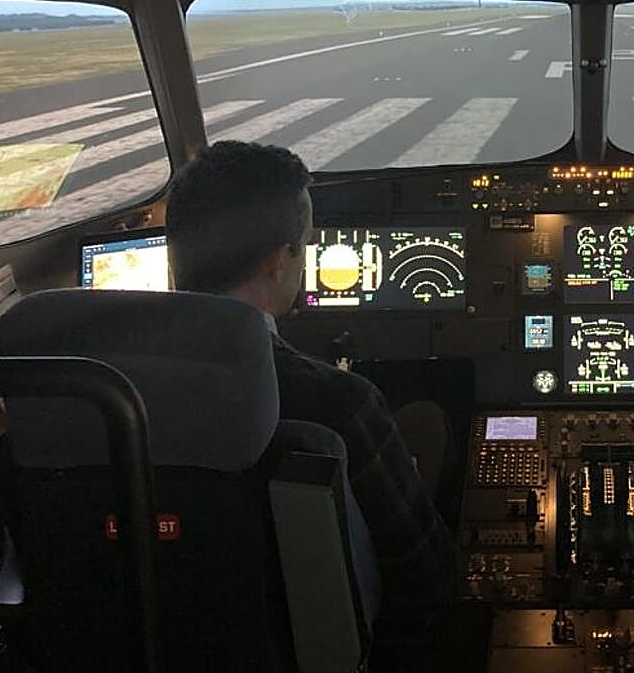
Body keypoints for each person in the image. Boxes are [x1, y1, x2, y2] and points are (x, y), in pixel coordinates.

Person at [165, 140, 455, 666]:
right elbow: (428, 581)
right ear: (281, 261)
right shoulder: (339, 405)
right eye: (305, 244)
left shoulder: (85, 396)